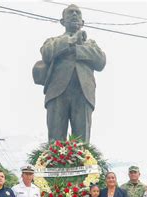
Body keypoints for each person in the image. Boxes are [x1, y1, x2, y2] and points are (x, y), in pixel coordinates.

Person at [37, 4, 106, 142]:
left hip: (83, 92)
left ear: (82, 22)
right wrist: (71, 41)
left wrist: (76, 49)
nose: (74, 14)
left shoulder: (91, 44)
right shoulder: (53, 41)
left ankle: (83, 163)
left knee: (82, 141)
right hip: (57, 92)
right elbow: (46, 53)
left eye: (78, 13)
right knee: (55, 140)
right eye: (70, 13)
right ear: (62, 21)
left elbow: (101, 61)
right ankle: (54, 162)